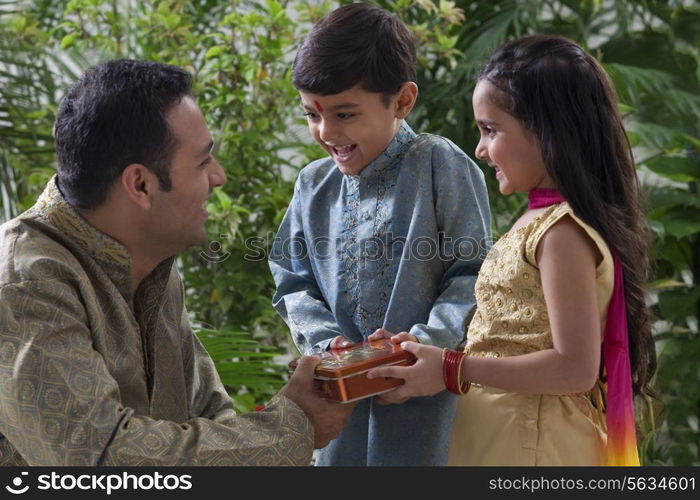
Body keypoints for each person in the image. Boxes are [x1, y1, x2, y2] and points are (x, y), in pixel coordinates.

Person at [0, 59, 354, 466]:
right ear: (141, 185)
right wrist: (293, 428)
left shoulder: (152, 266)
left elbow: (211, 415)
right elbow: (97, 461)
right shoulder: (24, 283)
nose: (218, 177)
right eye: (203, 163)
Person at [368, 35, 657, 466]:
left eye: (490, 129)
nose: (481, 150)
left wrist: (451, 368)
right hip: (507, 434)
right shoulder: (539, 222)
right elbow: (506, 337)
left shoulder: (561, 233)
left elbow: (574, 367)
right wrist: (423, 352)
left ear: (548, 129)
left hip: (534, 445)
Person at [268, 3, 490, 466]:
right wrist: (329, 345)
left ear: (403, 101)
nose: (327, 132)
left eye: (346, 114)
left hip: (424, 401)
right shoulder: (313, 184)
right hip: (339, 408)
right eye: (313, 115)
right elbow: (293, 280)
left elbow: (473, 274)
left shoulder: (439, 165)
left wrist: (420, 346)